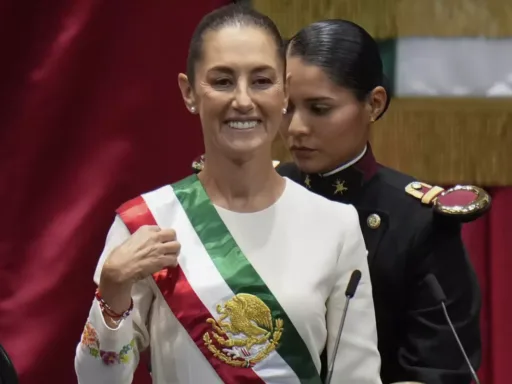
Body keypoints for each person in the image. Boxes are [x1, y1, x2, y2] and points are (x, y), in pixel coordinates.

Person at [74, 6, 382, 384]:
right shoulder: (146, 223)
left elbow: (357, 376)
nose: (242, 100)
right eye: (222, 81)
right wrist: (113, 289)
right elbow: (96, 380)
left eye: (261, 81)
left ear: (284, 91)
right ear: (189, 93)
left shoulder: (336, 225)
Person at [276, 19, 485, 384]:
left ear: (374, 104)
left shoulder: (419, 222)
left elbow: (440, 369)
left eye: (319, 109)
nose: (295, 128)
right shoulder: (263, 195)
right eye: (287, 107)